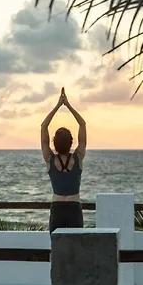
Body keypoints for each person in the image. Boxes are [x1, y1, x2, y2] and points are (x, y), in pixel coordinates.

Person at [41, 88, 87, 233]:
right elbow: (82, 124)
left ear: (54, 143)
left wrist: (58, 106)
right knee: (76, 243)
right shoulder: (78, 157)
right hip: (74, 207)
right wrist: (67, 105)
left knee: (57, 244)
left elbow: (43, 126)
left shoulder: (50, 159)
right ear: (71, 142)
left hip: (57, 208)